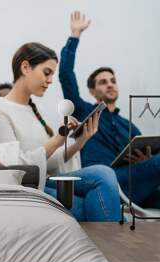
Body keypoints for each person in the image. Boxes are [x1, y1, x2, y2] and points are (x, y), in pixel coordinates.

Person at [0, 42, 120, 221]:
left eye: (52, 75)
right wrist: (57, 139)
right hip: (30, 189)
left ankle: (106, 243)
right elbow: (13, 170)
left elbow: (50, 161)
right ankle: (112, 242)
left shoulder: (34, 110)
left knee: (103, 176)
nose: (50, 80)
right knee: (103, 191)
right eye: (47, 73)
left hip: (50, 180)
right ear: (25, 67)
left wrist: (81, 140)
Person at [59, 11, 160, 209]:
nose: (110, 85)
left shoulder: (129, 126)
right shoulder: (85, 113)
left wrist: (147, 159)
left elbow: (147, 158)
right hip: (108, 181)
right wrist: (75, 35)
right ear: (92, 91)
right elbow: (65, 75)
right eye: (103, 82)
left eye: (113, 81)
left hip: (137, 186)